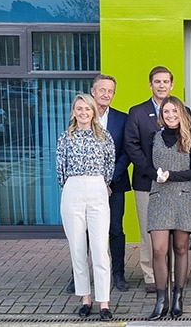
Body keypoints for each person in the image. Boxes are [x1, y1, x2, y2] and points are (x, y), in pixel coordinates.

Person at [63, 75, 130, 294]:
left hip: (115, 185)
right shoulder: (79, 119)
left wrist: (107, 181)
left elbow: (123, 153)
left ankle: (118, 274)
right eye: (102, 90)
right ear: (93, 91)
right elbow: (63, 164)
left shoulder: (122, 118)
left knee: (116, 230)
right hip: (84, 187)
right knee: (82, 233)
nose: (106, 94)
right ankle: (79, 278)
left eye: (110, 91)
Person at [56, 94, 115, 321]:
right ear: (73, 112)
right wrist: (71, 187)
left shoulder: (104, 137)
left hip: (97, 187)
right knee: (78, 249)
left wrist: (102, 183)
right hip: (73, 188)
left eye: (87, 109)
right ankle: (85, 298)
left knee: (100, 249)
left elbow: (110, 164)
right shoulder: (65, 137)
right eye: (79, 109)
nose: (83, 113)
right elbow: (60, 167)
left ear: (93, 112)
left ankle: (104, 302)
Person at [147, 96, 191, 320]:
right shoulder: (154, 137)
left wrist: (171, 175)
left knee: (180, 248)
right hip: (159, 197)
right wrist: (156, 175)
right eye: (166, 112)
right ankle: (161, 299)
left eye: (174, 112)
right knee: (159, 250)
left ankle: (178, 296)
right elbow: (145, 165)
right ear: (161, 115)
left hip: (183, 197)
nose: (170, 116)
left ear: (181, 114)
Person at [124, 65, 175, 292]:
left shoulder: (181, 110)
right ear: (150, 84)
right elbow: (132, 146)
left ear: (171, 85)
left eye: (165, 81)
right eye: (157, 81)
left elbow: (186, 144)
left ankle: (170, 274)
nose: (162, 85)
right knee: (148, 230)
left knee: (171, 230)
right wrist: (152, 171)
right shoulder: (137, 112)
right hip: (146, 182)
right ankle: (150, 276)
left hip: (174, 184)